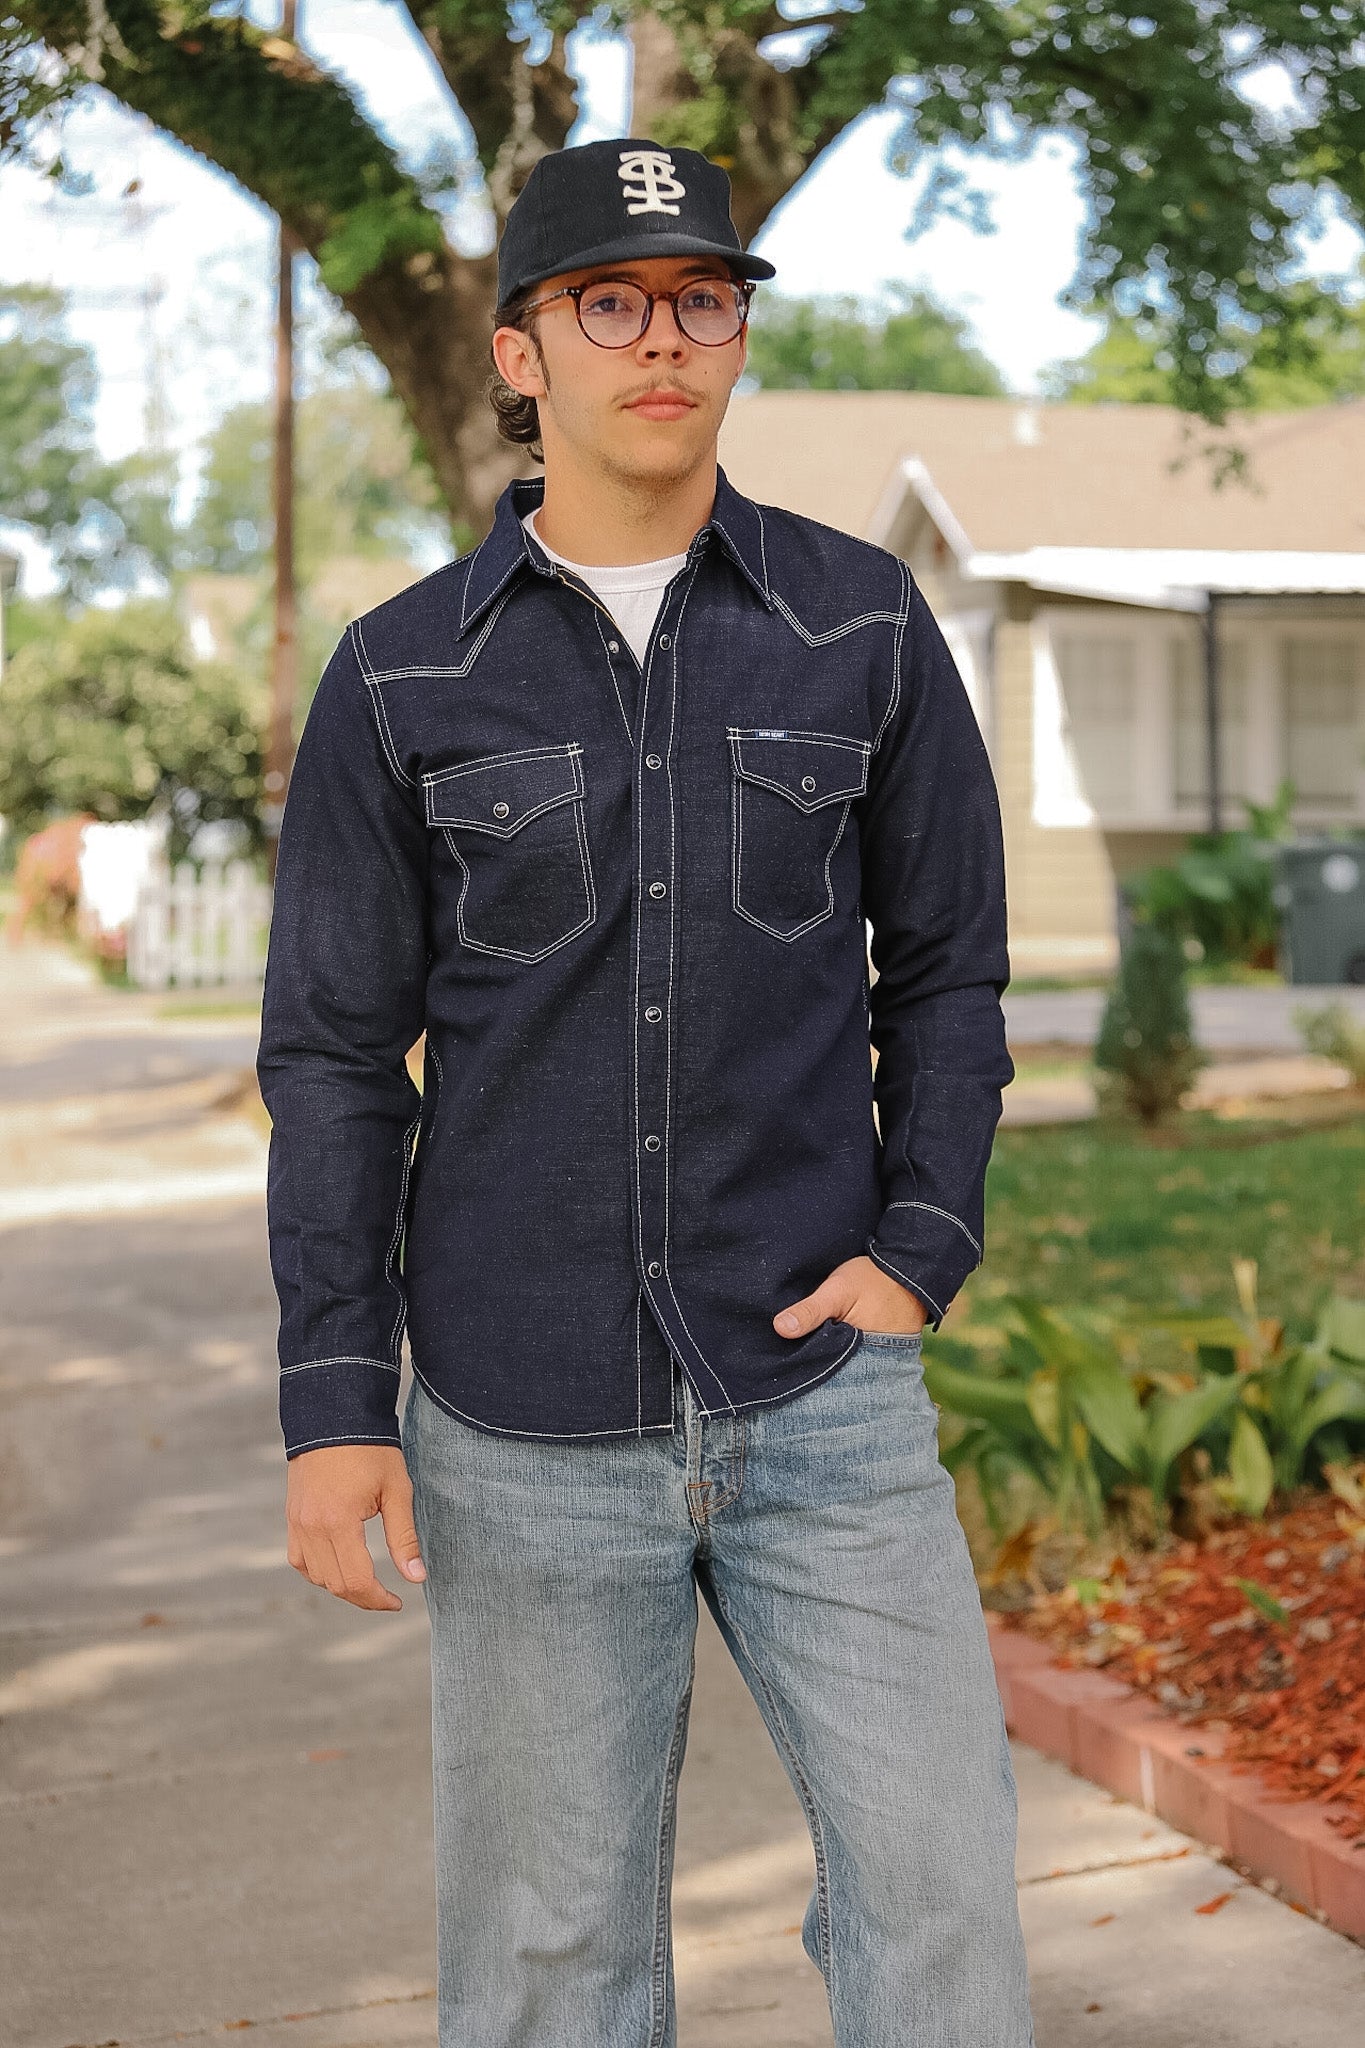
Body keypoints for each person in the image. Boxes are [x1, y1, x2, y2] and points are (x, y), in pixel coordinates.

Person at [258, 136, 1034, 2048]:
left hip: (822, 1401)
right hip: (519, 1428)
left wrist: (918, 1254)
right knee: (549, 1971)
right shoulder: (396, 675)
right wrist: (333, 1404)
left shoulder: (860, 625)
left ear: (738, 337)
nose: (663, 339)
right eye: (610, 301)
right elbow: (336, 1061)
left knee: (943, 1913)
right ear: (522, 352)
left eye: (703, 299)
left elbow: (946, 971)